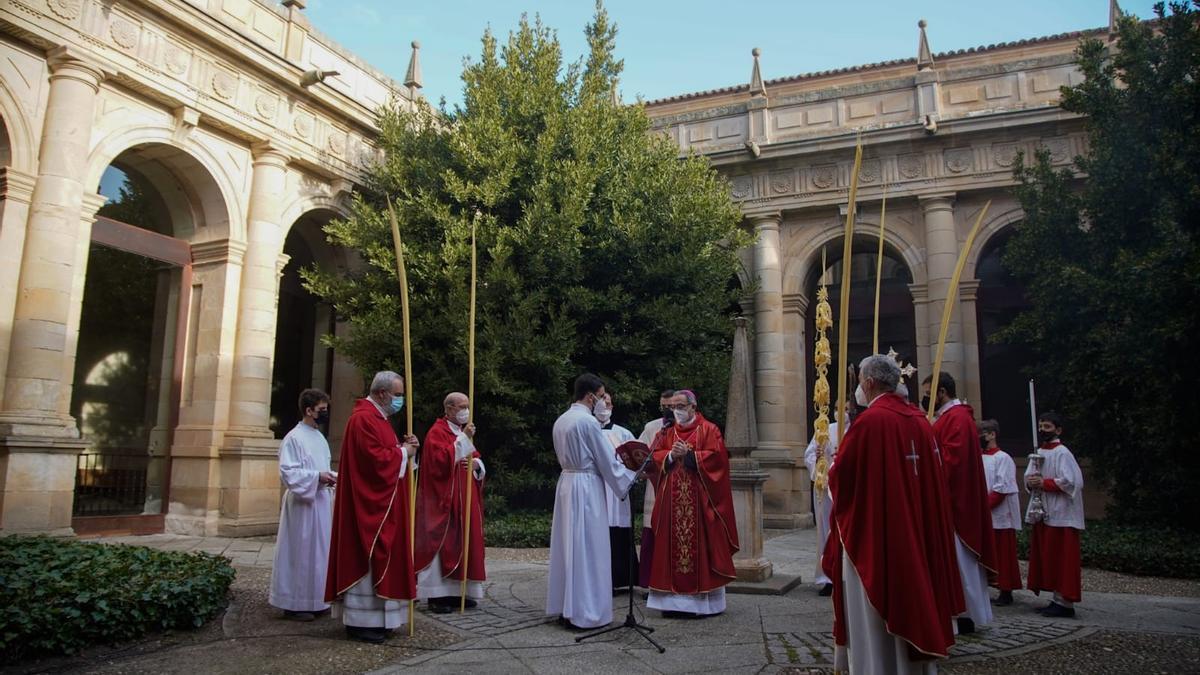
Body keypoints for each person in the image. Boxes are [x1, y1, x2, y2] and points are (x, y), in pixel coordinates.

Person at [824, 355, 963, 674]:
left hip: (879, 534)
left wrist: (831, 467)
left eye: (860, 379)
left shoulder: (871, 422)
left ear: (869, 383)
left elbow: (843, 479)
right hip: (914, 529)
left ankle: (878, 667)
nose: (859, 385)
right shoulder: (918, 420)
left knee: (875, 609)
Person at [325, 371, 420, 644]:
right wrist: (404, 453)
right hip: (369, 507)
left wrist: (405, 450)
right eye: (398, 395)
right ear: (382, 393)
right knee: (370, 558)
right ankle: (362, 622)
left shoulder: (379, 418)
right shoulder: (364, 418)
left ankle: (381, 619)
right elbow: (375, 463)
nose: (400, 400)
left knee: (385, 557)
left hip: (385, 504)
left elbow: (388, 456)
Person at [546, 374, 638, 629]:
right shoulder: (588, 423)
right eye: (601, 395)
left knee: (569, 545)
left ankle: (566, 606)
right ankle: (585, 611)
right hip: (586, 487)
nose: (602, 401)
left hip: (567, 483)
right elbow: (606, 460)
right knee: (588, 547)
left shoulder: (562, 419)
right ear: (590, 396)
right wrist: (630, 475)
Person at [645, 390, 738, 619]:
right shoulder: (666, 431)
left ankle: (699, 605)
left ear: (692, 407)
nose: (675, 410)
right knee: (668, 547)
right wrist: (669, 455)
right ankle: (671, 603)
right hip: (670, 502)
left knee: (699, 547)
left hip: (698, 500)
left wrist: (689, 454)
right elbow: (654, 456)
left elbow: (718, 459)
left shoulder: (709, 429)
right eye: (672, 406)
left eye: (680, 405)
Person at [923, 371, 996, 634]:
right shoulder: (948, 418)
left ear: (942, 392)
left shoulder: (958, 419)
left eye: (929, 394)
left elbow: (952, 461)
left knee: (959, 561)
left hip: (955, 503)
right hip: (947, 501)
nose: (927, 399)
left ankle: (966, 613)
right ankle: (960, 611)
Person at [414, 392, 485, 614]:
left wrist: (477, 466)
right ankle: (437, 594)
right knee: (443, 543)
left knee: (465, 540)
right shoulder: (437, 432)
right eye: (462, 406)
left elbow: (475, 457)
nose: (466, 410)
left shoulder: (463, 432)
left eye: (468, 406)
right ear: (449, 408)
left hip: (465, 497)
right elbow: (439, 463)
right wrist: (463, 438)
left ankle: (457, 592)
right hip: (443, 501)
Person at [269, 388, 337, 621]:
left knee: (319, 553)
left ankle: (317, 599)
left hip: (320, 502)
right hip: (302, 504)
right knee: (301, 553)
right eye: (322, 410)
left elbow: (321, 467)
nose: (325, 414)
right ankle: (295, 603)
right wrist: (317, 477)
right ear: (309, 410)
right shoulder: (293, 438)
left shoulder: (319, 437)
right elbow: (288, 473)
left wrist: (331, 476)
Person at [1025, 412, 1084, 618]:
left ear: (1058, 430)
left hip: (1062, 513)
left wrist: (1045, 483)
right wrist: (1031, 482)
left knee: (1062, 558)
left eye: (1047, 427)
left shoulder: (1063, 453)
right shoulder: (1038, 452)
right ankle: (1057, 599)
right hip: (1045, 512)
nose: (1042, 430)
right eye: (1041, 426)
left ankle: (1065, 603)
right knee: (1050, 557)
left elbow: (1072, 481)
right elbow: (1029, 477)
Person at [596, 392, 638, 593]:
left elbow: (636, 461)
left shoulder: (623, 433)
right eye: (602, 403)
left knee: (619, 532)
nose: (606, 407)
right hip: (596, 487)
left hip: (618, 490)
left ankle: (621, 578)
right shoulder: (588, 430)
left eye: (609, 404)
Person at [803, 410, 845, 596]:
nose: (842, 411)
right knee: (825, 531)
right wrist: (820, 463)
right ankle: (827, 577)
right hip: (827, 488)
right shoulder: (826, 429)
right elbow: (810, 454)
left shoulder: (859, 427)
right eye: (838, 407)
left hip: (847, 488)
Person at [980, 419, 1022, 605]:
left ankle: (1006, 590)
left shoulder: (1003, 458)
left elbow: (1001, 488)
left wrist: (982, 506)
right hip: (984, 514)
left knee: (1003, 554)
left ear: (992, 434)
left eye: (983, 433)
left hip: (1000, 515)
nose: (979, 437)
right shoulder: (979, 457)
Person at [636, 389, 674, 588]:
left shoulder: (686, 428)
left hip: (677, 489)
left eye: (671, 406)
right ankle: (649, 582)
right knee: (652, 536)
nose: (667, 411)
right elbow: (640, 452)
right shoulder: (652, 427)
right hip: (654, 488)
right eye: (664, 407)